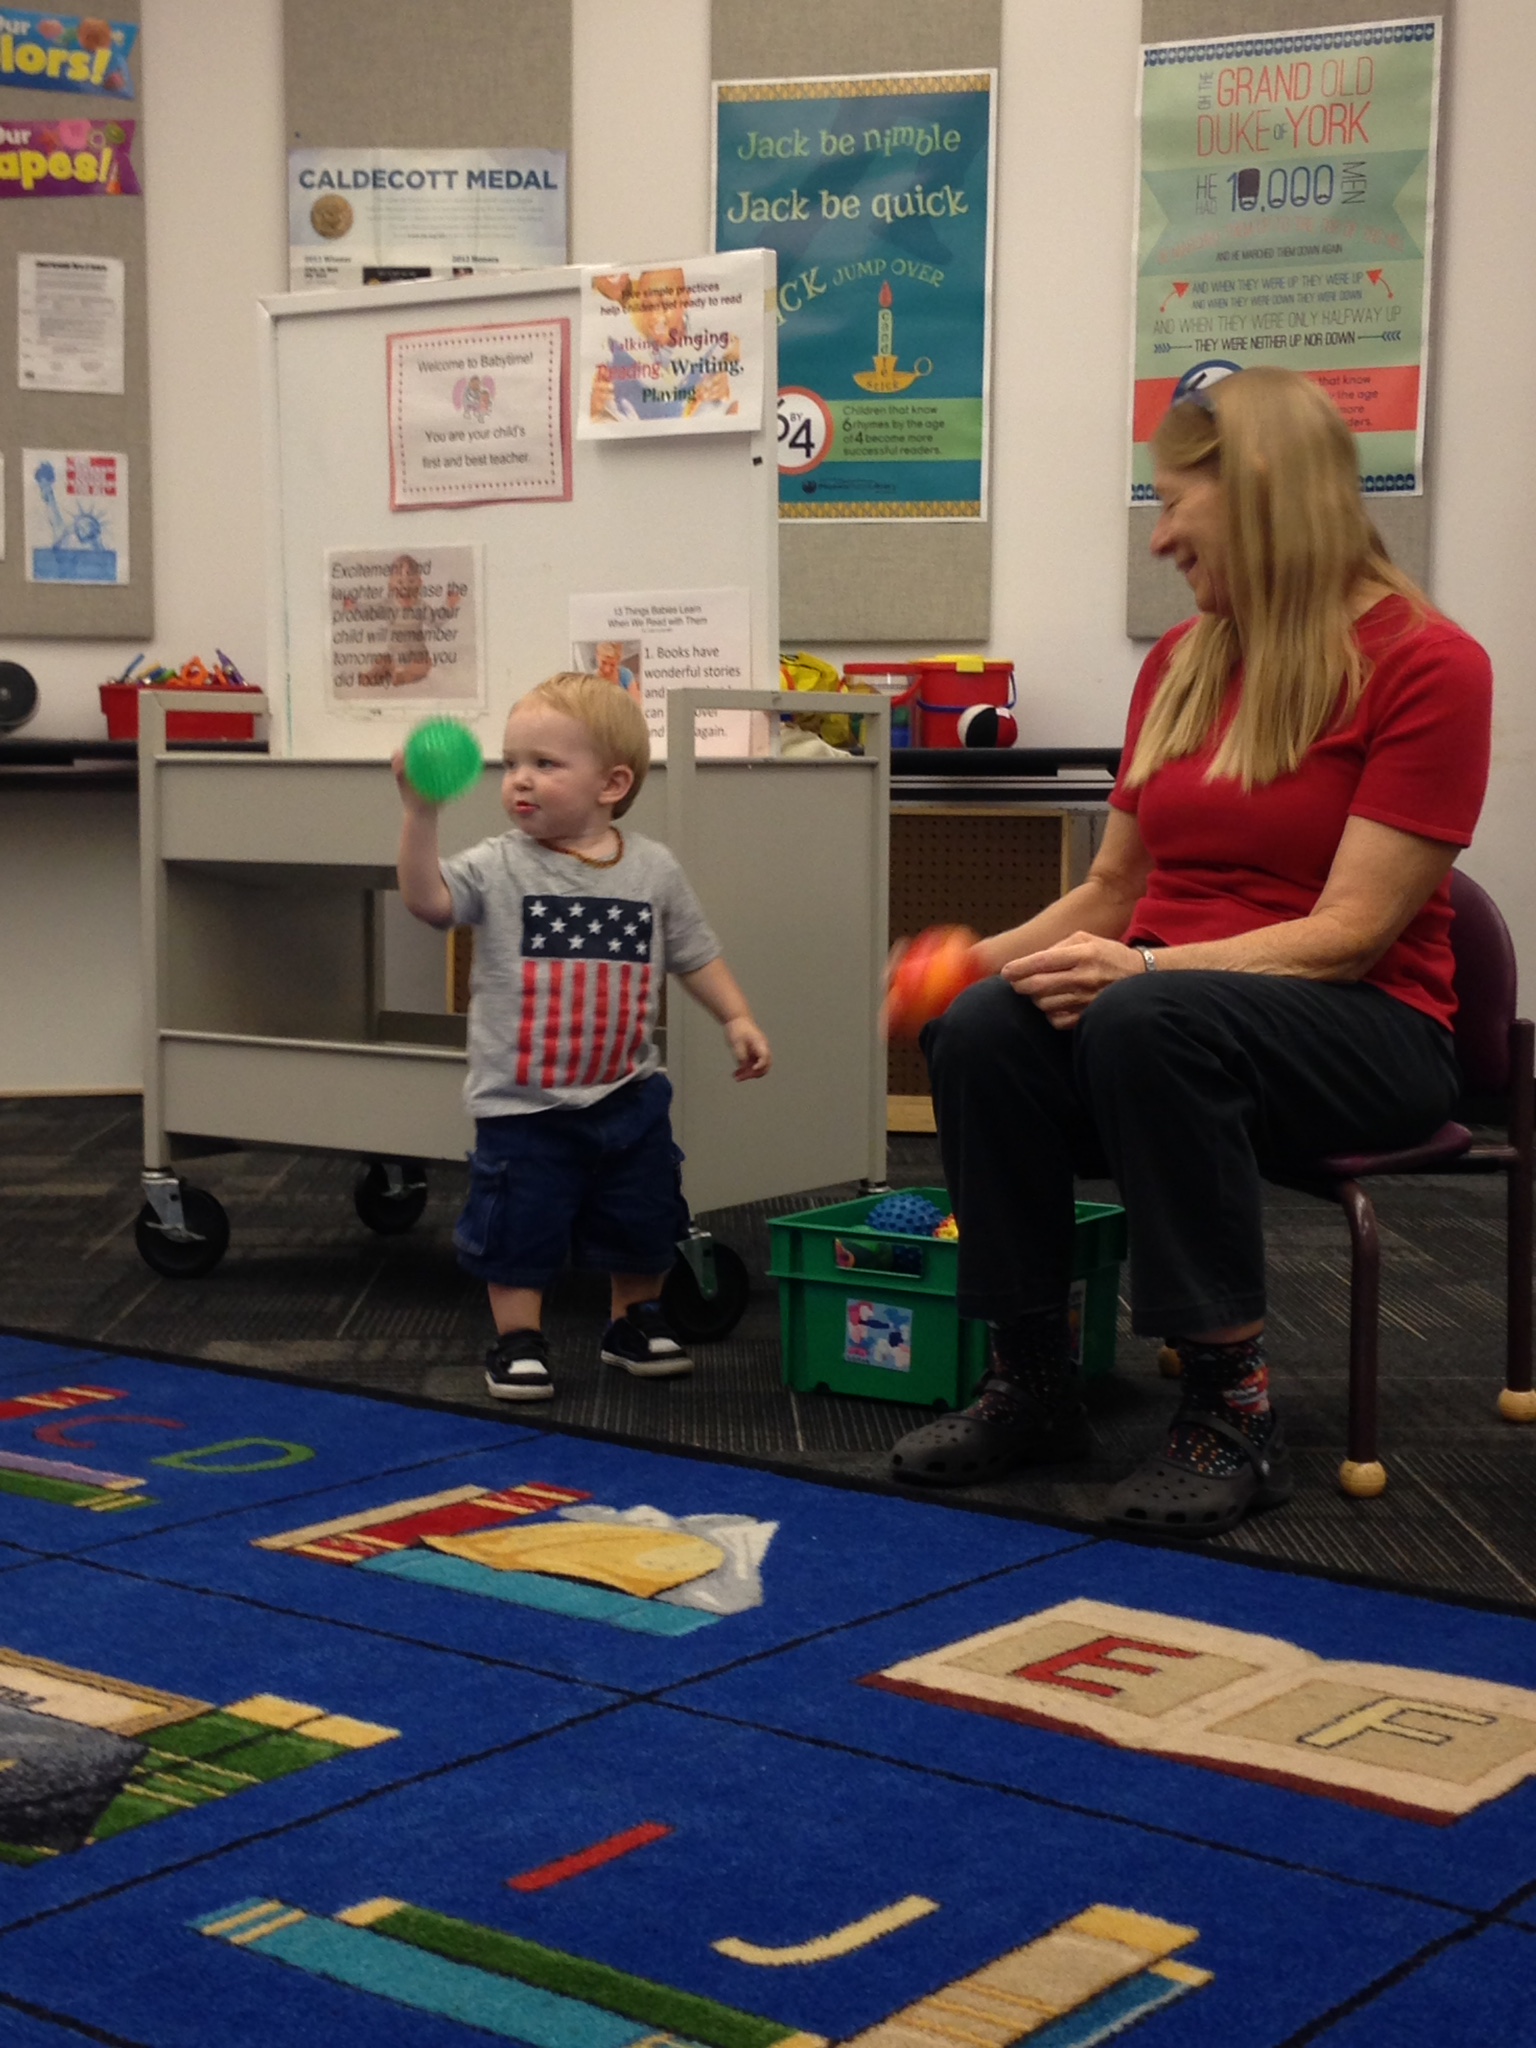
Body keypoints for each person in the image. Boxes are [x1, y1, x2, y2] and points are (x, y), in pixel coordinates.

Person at [888, 367, 1493, 1536]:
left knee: (1145, 1014)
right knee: (981, 1028)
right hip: (1168, 1019)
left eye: (1174, 505)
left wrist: (1155, 971)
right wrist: (965, 963)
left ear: (1260, 490)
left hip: (1366, 1027)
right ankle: (1032, 1379)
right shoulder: (1181, 660)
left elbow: (1351, 933)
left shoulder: (1430, 662)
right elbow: (1114, 891)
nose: (1160, 538)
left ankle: (1232, 1411)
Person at [395, 671, 771, 1402]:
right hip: (523, 1103)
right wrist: (419, 813)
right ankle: (518, 1340)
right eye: (512, 763)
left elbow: (695, 952)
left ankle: (633, 1322)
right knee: (519, 1225)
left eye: (545, 763)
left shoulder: (653, 869)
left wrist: (736, 1016)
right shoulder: (499, 864)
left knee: (644, 1214)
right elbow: (428, 902)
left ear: (612, 783)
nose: (519, 779)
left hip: (628, 1094)